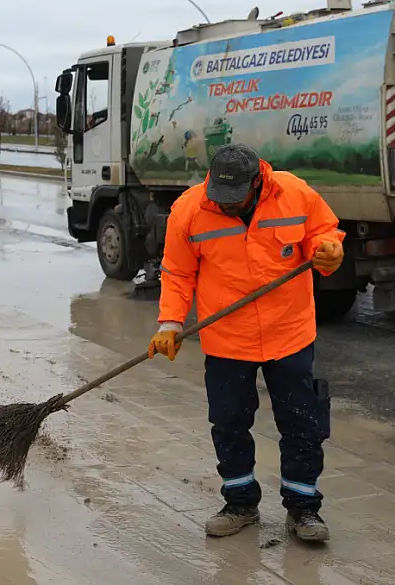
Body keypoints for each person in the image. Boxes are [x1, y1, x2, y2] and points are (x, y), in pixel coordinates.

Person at [146, 143, 345, 543]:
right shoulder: (189, 210)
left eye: (236, 199)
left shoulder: (294, 192)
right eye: (221, 199)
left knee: (302, 423)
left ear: (258, 182)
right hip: (227, 339)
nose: (228, 206)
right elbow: (178, 273)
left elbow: (322, 230)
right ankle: (240, 503)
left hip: (289, 332)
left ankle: (304, 508)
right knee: (229, 423)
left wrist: (328, 249)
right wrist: (169, 323)